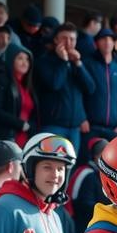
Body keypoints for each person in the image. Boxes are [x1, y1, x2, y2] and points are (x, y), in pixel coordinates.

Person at [36, 22, 95, 153]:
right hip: (53, 125)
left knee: (70, 167)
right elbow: (54, 84)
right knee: (52, 164)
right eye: (64, 38)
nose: (68, 43)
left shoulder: (76, 62)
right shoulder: (45, 60)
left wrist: (79, 64)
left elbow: (90, 88)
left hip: (75, 128)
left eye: (72, 39)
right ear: (56, 40)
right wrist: (63, 61)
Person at [0, 41, 36, 146]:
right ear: (11, 59)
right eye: (20, 58)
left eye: (27, 59)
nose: (25, 63)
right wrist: (20, 124)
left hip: (22, 138)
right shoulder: (0, 78)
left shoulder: (26, 85)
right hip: (3, 137)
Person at [83, 28, 117, 147]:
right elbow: (80, 93)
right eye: (103, 39)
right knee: (87, 163)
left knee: (111, 164)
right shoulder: (88, 64)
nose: (107, 42)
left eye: (110, 39)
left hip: (113, 130)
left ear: (114, 43)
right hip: (90, 127)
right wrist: (82, 118)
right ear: (97, 43)